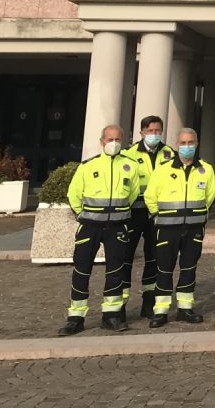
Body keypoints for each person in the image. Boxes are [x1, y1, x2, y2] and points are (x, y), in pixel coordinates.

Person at [59, 125, 140, 335]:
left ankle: (111, 315)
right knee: (81, 271)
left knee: (115, 271)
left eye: (118, 139)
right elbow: (73, 195)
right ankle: (76, 317)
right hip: (90, 226)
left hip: (117, 227)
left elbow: (132, 195)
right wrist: (84, 216)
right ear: (102, 141)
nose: (114, 142)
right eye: (110, 139)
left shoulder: (130, 166)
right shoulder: (87, 166)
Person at [144, 127, 215, 327]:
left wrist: (198, 216)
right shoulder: (163, 169)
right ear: (176, 145)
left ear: (197, 143)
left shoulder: (206, 169)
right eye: (183, 143)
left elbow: (209, 197)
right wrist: (159, 217)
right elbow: (150, 196)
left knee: (189, 268)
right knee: (164, 269)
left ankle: (185, 308)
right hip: (167, 228)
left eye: (190, 143)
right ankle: (161, 310)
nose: (187, 147)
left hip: (193, 228)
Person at [125, 114, 173, 318]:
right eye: (150, 131)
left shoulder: (170, 154)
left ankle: (149, 302)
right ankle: (119, 306)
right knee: (125, 257)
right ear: (142, 132)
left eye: (157, 131)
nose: (154, 135)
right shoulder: (129, 154)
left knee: (154, 258)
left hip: (158, 213)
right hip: (135, 212)